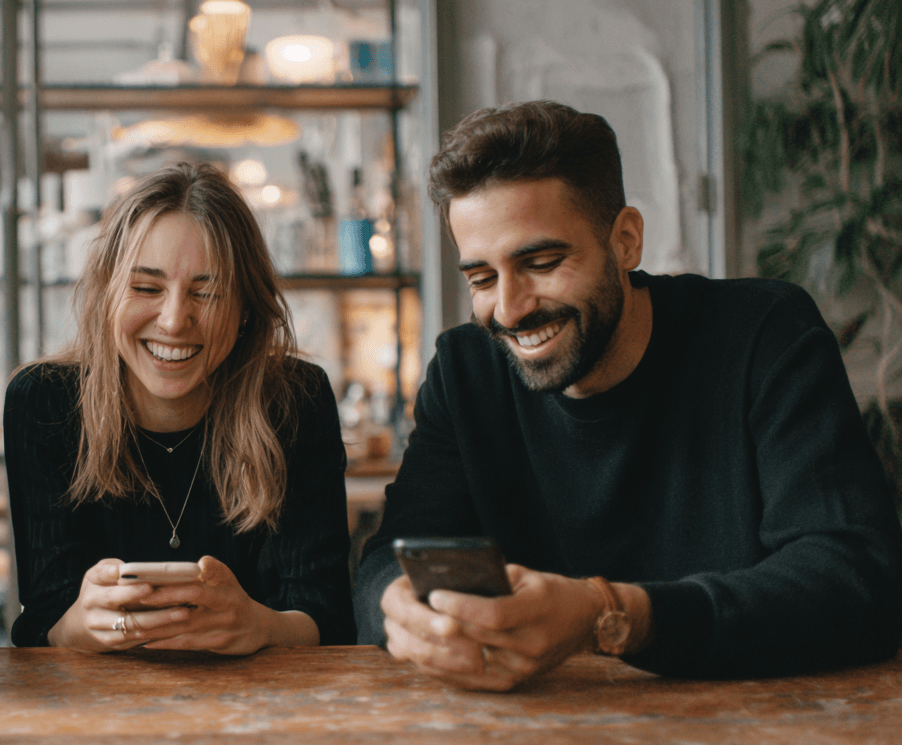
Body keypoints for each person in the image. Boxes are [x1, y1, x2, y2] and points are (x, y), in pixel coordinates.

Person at [355, 100, 902, 690]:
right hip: (522, 744)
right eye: (482, 279)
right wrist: (401, 607)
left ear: (626, 240)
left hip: (750, 733)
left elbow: (856, 579)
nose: (510, 309)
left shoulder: (764, 333)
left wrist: (608, 615)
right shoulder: (465, 371)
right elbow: (388, 558)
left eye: (540, 262)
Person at [4, 162, 355, 652]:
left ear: (246, 308)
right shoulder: (44, 400)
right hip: (96, 712)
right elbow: (43, 623)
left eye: (207, 293)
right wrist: (84, 623)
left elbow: (328, 617)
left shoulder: (295, 399)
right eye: (146, 288)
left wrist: (260, 626)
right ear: (108, 294)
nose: (173, 320)